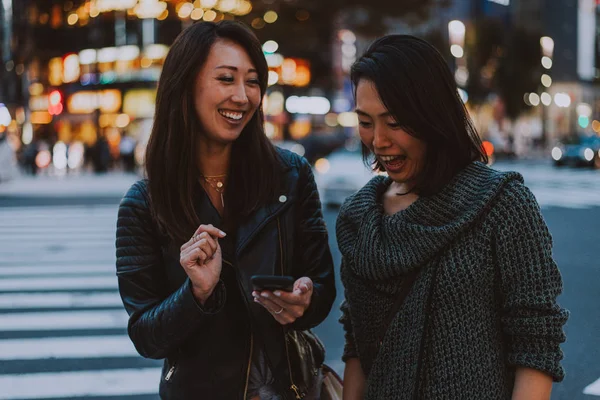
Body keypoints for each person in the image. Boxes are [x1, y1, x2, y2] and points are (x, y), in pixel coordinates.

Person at [336, 35, 568, 400]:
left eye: (394, 122)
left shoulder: (503, 204)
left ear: (432, 115)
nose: (378, 140)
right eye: (366, 122)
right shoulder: (358, 218)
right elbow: (358, 345)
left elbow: (536, 343)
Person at [116, 21, 335, 400]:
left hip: (287, 388)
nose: (243, 96)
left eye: (252, 81)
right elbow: (146, 336)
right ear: (186, 85)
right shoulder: (144, 204)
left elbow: (322, 285)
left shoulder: (290, 176)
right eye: (226, 79)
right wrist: (196, 293)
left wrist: (305, 299)